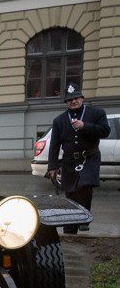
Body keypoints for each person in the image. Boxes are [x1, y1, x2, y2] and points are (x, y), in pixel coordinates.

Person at [48, 83, 110, 234]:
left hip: (89, 158)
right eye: (69, 99)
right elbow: (54, 145)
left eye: (76, 98)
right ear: (66, 102)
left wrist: (85, 126)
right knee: (70, 193)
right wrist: (52, 167)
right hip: (69, 161)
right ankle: (70, 228)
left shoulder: (96, 113)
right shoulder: (59, 120)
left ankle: (83, 219)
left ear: (82, 98)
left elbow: (105, 131)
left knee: (84, 185)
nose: (73, 101)